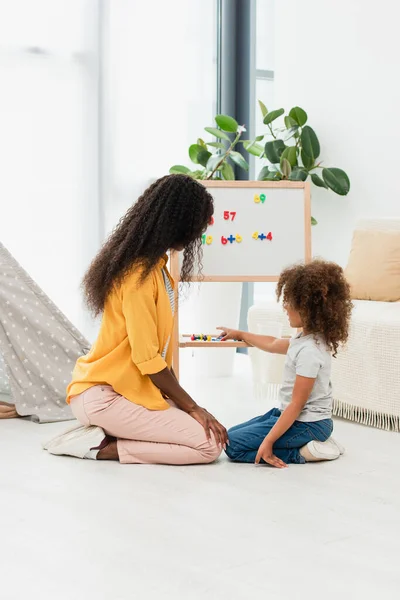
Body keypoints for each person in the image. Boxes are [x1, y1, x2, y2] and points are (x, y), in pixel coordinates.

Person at [44, 174, 227, 465]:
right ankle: (96, 446)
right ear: (178, 220)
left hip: (125, 393)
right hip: (104, 398)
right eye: (200, 221)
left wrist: (188, 406)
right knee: (208, 446)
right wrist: (193, 407)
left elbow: (159, 357)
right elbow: (147, 358)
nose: (201, 229)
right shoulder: (138, 276)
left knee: (205, 432)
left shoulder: (157, 269)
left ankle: (105, 437)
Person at [217, 260, 353, 468]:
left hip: (309, 424)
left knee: (234, 446)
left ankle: (308, 451)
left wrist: (269, 441)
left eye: (291, 302)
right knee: (230, 436)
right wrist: (240, 333)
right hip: (297, 418)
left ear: (309, 308)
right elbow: (272, 343)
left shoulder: (310, 351)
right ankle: (314, 443)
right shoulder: (305, 339)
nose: (286, 307)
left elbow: (297, 405)